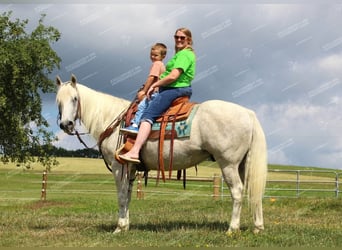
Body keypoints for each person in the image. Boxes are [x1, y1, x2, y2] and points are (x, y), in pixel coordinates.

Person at [119, 27, 196, 164]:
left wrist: (155, 85)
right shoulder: (181, 54)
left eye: (182, 38)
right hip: (176, 88)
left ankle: (135, 151)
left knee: (148, 116)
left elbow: (173, 76)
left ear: (189, 40)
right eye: (176, 37)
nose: (178, 40)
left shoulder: (184, 54)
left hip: (175, 89)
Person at [120, 43, 167, 134]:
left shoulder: (157, 64)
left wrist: (144, 91)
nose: (153, 57)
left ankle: (135, 126)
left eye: (156, 55)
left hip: (154, 93)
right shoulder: (161, 65)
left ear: (163, 56)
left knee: (142, 106)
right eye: (151, 55)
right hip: (158, 93)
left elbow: (151, 77)